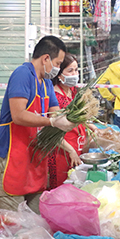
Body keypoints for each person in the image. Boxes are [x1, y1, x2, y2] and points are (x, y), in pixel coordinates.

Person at [0, 36, 75, 213]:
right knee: (9, 224)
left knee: (35, 223)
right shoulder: (23, 75)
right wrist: (51, 121)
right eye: (58, 63)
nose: (58, 69)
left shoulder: (46, 84)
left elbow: (56, 114)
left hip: (34, 162)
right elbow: (18, 115)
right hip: (11, 159)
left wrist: (71, 122)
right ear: (46, 58)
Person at [48, 53, 93, 189]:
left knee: (76, 186)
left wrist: (93, 127)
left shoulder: (74, 91)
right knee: (62, 189)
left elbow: (79, 118)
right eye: (70, 70)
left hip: (77, 147)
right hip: (62, 151)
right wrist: (70, 150)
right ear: (59, 74)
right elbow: (52, 131)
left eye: (76, 70)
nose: (75, 74)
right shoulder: (54, 96)